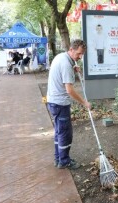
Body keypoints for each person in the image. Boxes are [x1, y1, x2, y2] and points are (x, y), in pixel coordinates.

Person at [46, 39, 91, 169]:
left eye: (82, 54)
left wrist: (73, 66)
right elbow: (69, 90)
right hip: (60, 103)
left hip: (53, 101)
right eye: (78, 54)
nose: (80, 57)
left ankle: (58, 158)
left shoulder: (61, 57)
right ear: (71, 49)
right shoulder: (66, 64)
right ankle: (64, 161)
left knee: (59, 131)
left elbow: (63, 71)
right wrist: (84, 102)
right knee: (66, 133)